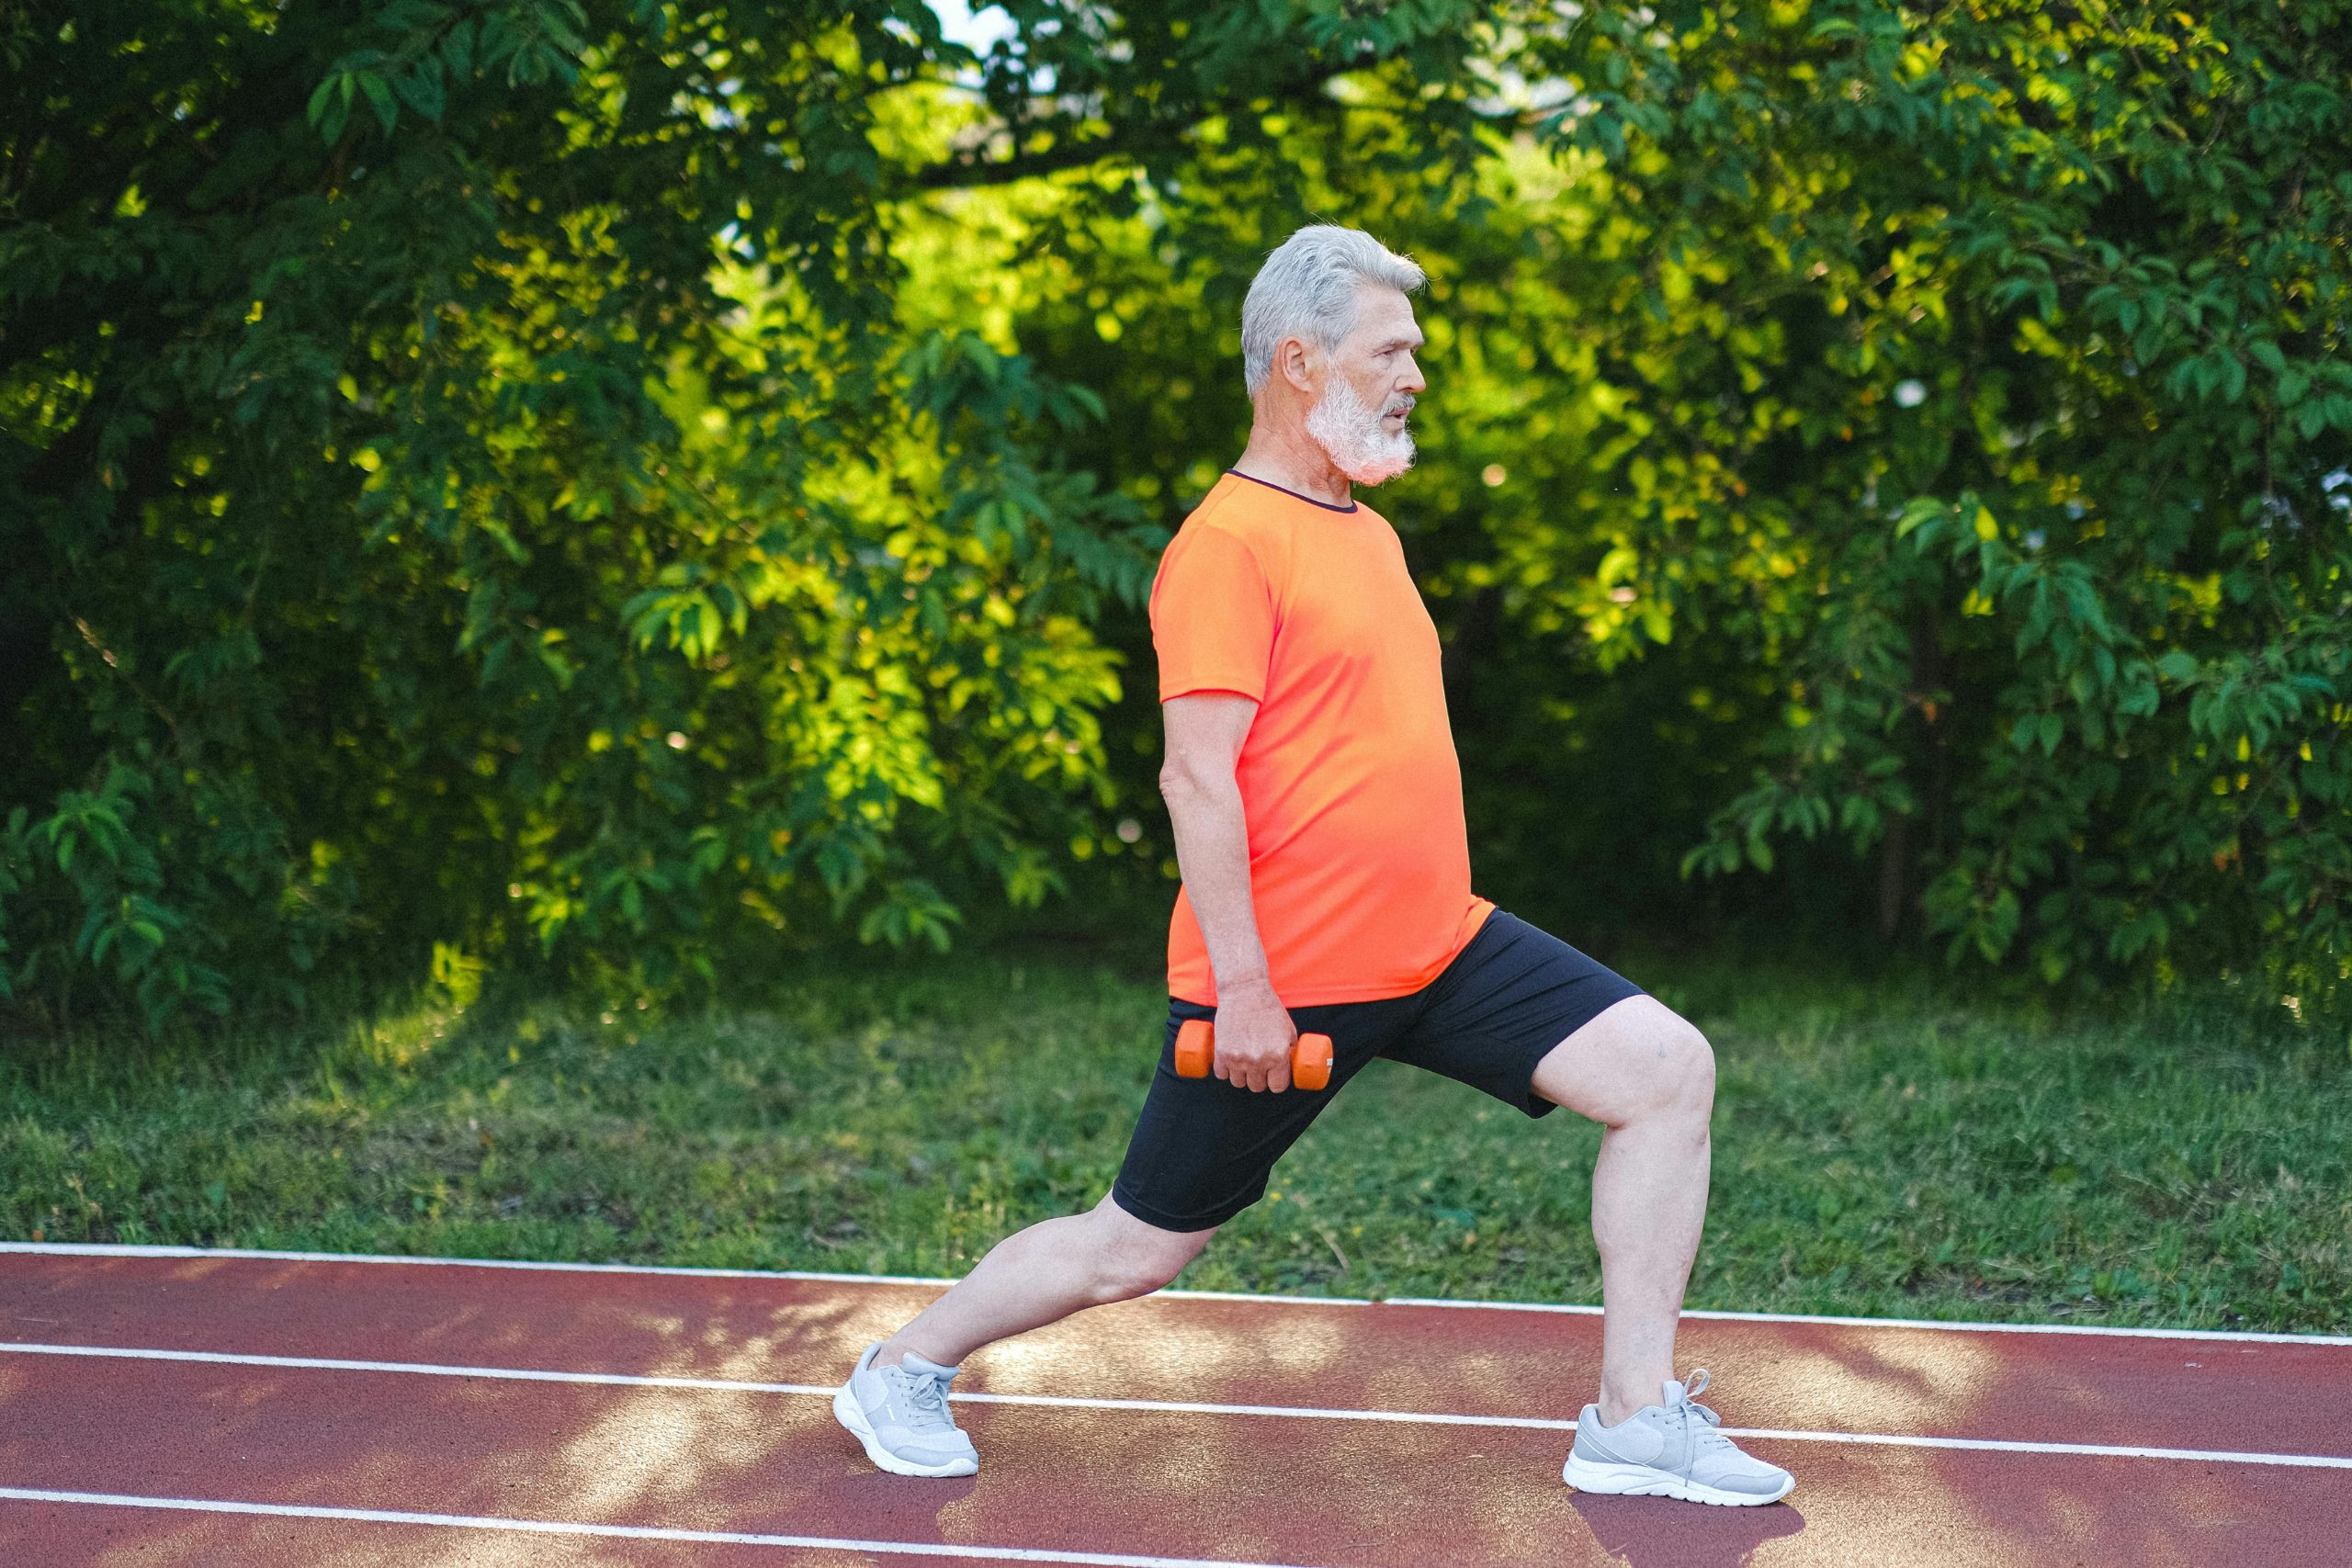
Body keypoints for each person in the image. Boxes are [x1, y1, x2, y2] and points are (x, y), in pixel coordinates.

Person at [831, 225, 1794, 1507]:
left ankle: (1632, 1419)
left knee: (1669, 1070)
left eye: (1415, 353)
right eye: (1392, 349)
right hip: (1285, 977)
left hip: (1441, 942)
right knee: (1141, 1247)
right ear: (1301, 360)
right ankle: (904, 1364)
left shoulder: (1369, 533)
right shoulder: (1229, 544)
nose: (1416, 375)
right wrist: (1242, 986)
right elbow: (1195, 777)